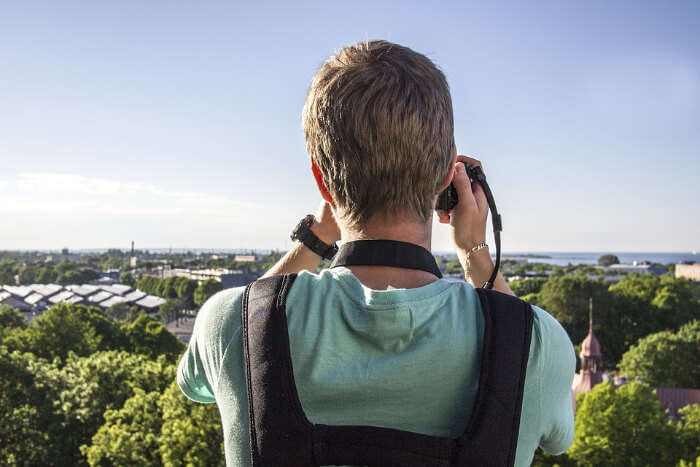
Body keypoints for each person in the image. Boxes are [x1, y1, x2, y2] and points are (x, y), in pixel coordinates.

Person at [177, 40, 575, 466]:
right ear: (447, 176)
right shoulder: (535, 344)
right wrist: (476, 253)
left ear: (322, 182)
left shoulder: (230, 324)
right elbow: (557, 437)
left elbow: (197, 381)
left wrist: (315, 237)